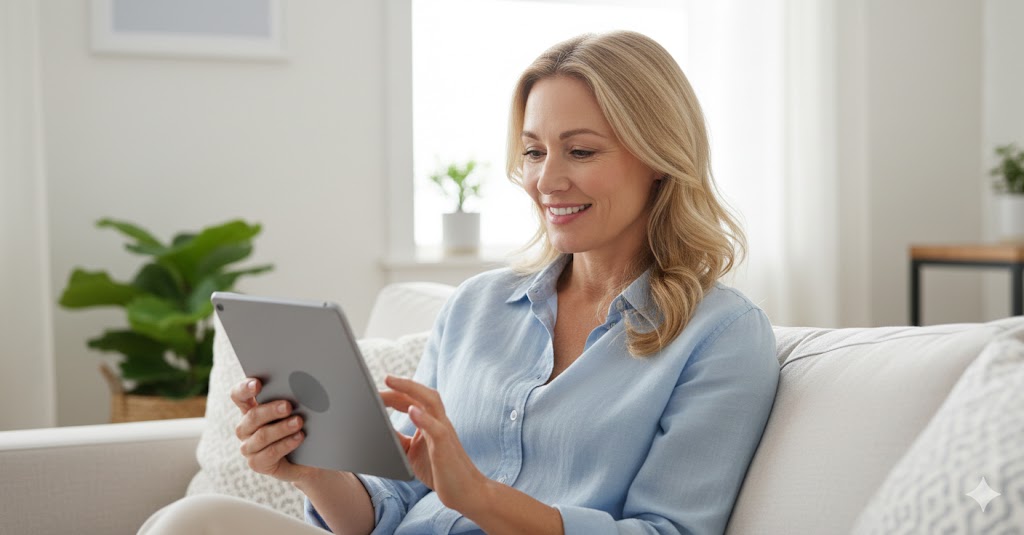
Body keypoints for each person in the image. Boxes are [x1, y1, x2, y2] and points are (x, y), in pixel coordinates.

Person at [138, 30, 779, 535]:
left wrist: (480, 499)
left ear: (661, 160)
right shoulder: (479, 307)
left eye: (580, 151)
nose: (546, 180)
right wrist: (310, 472)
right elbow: (391, 508)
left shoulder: (720, 336)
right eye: (533, 151)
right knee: (191, 524)